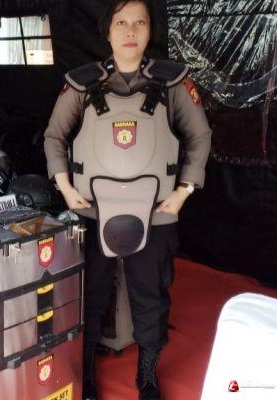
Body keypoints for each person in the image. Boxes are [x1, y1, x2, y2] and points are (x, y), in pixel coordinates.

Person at [43, 1, 212, 399]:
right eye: (121, 22)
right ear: (108, 30)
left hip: (156, 213)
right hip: (92, 212)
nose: (130, 30)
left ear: (150, 29)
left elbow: (199, 136)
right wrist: (66, 188)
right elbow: (54, 137)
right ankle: (85, 374)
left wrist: (183, 192)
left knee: (151, 297)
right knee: (89, 296)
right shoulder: (81, 84)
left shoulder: (173, 83)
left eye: (139, 22)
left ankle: (147, 375)